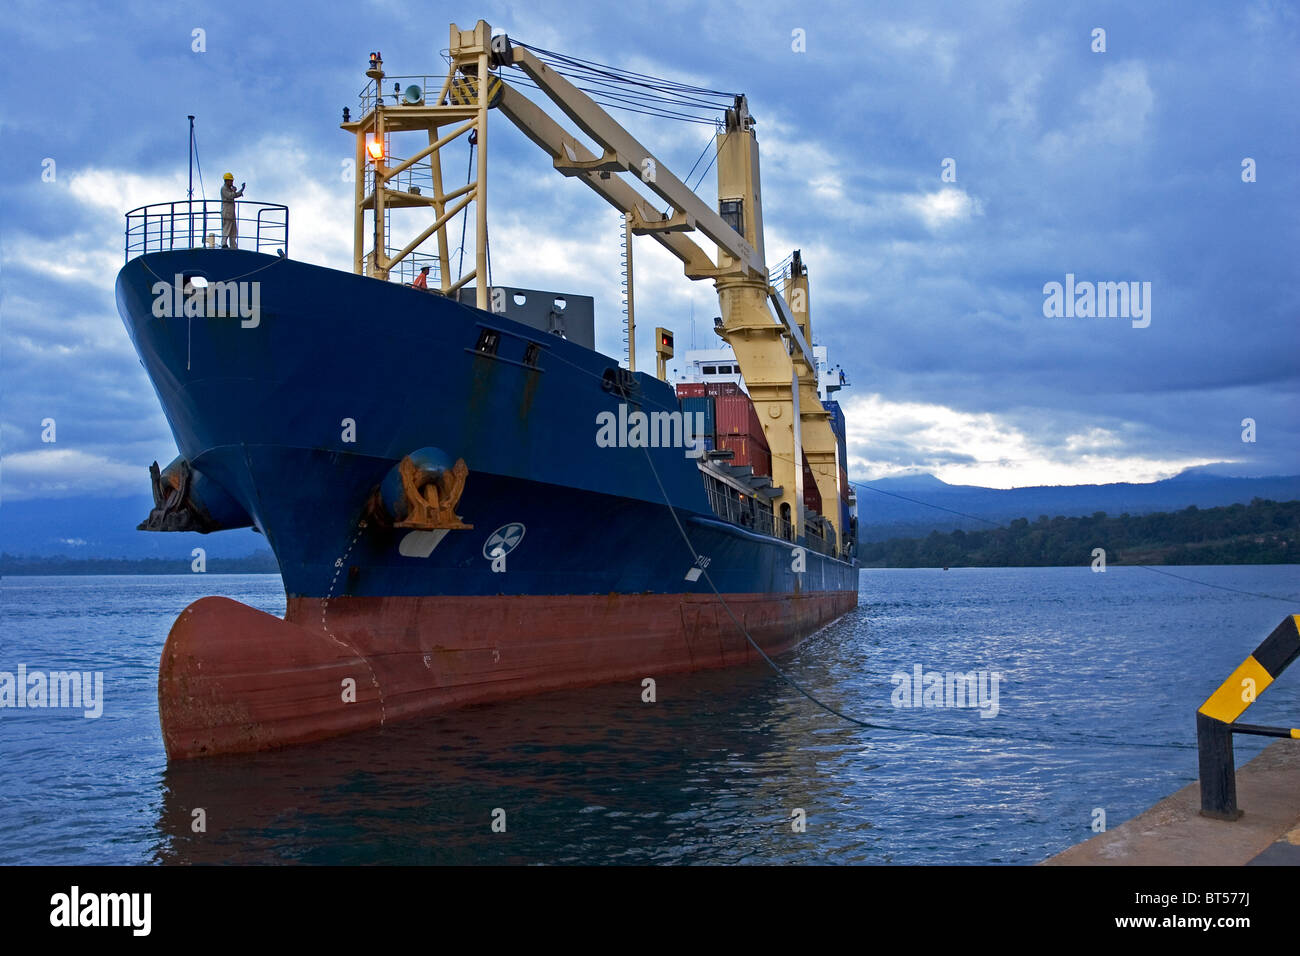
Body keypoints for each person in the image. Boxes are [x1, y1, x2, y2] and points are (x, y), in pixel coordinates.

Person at [220, 173, 245, 248]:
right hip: (227, 212)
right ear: (226, 181)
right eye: (230, 181)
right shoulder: (223, 189)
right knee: (226, 228)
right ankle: (224, 244)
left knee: (233, 230)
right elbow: (230, 196)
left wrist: (242, 189)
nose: (232, 182)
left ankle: (233, 246)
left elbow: (235, 195)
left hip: (231, 213)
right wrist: (234, 191)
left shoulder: (229, 189)